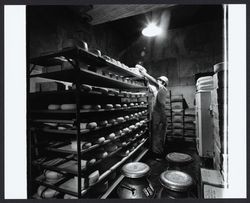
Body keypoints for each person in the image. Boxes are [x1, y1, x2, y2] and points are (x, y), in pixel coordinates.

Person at [151, 76, 169, 160]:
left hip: (160, 116)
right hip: (157, 115)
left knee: (159, 135)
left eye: (159, 80)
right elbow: (150, 85)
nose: (158, 80)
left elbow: (153, 81)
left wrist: (144, 73)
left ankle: (159, 155)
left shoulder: (163, 89)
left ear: (163, 83)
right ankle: (156, 153)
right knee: (156, 134)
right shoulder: (158, 90)